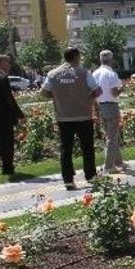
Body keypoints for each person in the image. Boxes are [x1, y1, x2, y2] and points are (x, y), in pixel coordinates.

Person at [41, 48, 102, 190]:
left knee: (65, 149)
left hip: (63, 117)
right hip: (83, 116)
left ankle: (68, 180)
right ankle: (91, 176)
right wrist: (88, 98)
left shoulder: (53, 74)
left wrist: (58, 97)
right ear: (76, 57)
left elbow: (43, 92)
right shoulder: (84, 72)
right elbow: (98, 91)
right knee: (87, 147)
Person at [92, 50, 125, 174]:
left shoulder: (95, 73)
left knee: (110, 135)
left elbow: (93, 92)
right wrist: (122, 88)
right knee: (112, 137)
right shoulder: (111, 73)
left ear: (101, 60)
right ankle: (108, 166)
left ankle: (119, 162)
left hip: (100, 105)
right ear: (111, 60)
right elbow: (114, 92)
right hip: (111, 105)